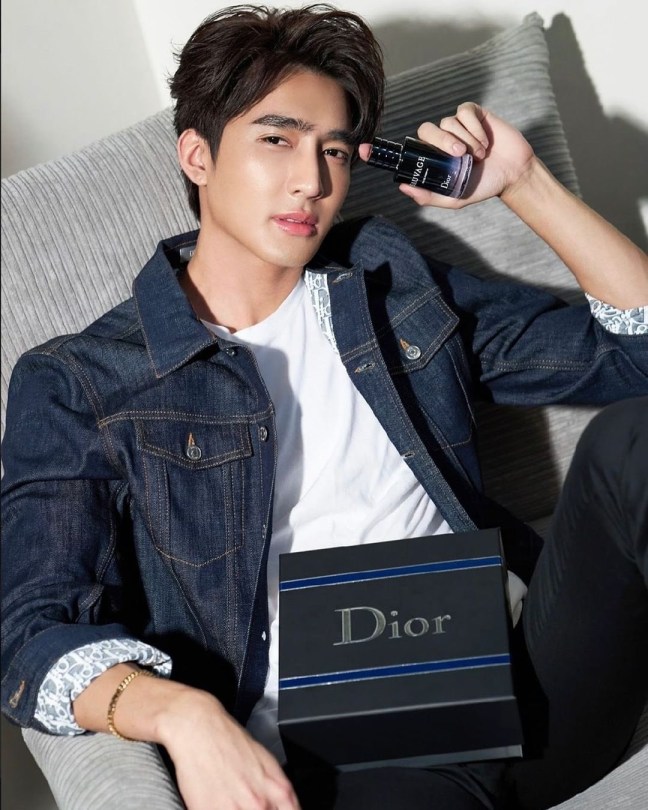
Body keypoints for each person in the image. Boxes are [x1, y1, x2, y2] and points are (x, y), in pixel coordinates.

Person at [1, 5, 647, 810]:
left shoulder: (388, 284)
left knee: (633, 442)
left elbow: (633, 356)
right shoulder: (82, 380)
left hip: (528, 689)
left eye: (334, 150)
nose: (312, 180)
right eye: (278, 139)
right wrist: (182, 714)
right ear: (197, 155)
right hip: (347, 761)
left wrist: (526, 186)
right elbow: (28, 635)